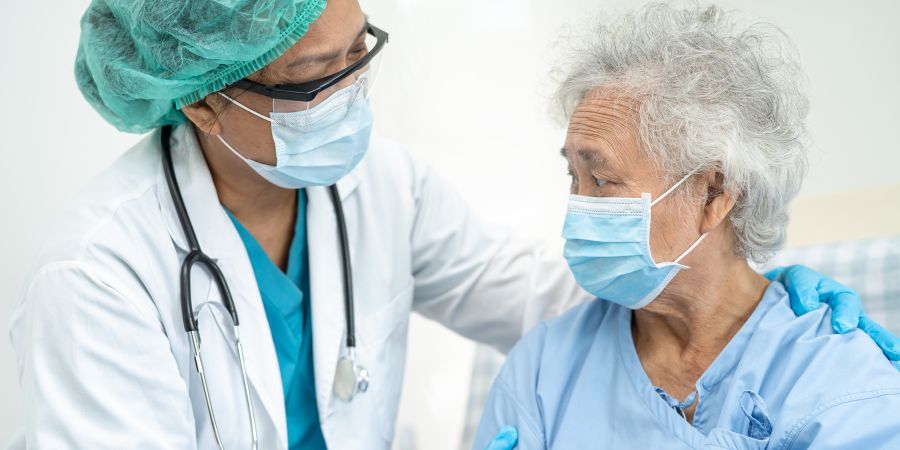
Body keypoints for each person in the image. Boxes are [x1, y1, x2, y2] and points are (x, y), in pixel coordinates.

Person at [6, 0, 895, 449]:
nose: (356, 89)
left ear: (716, 192)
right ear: (203, 103)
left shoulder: (843, 388)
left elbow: (540, 293)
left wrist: (755, 302)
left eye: (361, 50)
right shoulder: (97, 275)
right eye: (321, 74)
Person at [474, 4, 900, 449]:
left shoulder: (836, 379)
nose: (577, 209)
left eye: (601, 180)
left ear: (714, 194)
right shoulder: (542, 371)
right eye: (573, 179)